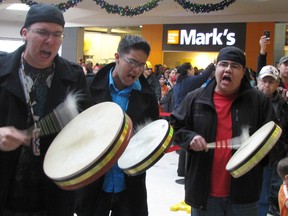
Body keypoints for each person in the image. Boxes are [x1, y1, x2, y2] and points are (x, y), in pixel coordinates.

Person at [0, 4, 92, 216]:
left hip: (53, 193)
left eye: (57, 34)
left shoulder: (74, 77)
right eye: (42, 32)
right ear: (25, 33)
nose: (50, 41)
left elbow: (85, 128)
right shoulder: (3, 69)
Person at [170, 46, 277, 216]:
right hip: (204, 195)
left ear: (243, 73)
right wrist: (189, 138)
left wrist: (258, 153)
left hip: (244, 197)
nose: (228, 69)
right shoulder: (195, 98)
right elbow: (174, 127)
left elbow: (275, 140)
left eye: (235, 66)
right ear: (216, 68)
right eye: (223, 64)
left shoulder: (259, 102)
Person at [75, 35, 159, 216]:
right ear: (117, 57)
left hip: (129, 184)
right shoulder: (88, 87)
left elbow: (150, 137)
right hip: (94, 182)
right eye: (132, 62)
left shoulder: (147, 95)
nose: (136, 70)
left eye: (142, 65)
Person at [257, 65, 288, 216]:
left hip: (270, 157)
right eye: (264, 81)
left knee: (263, 196)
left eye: (271, 81)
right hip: (247, 154)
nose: (267, 85)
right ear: (258, 81)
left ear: (277, 83)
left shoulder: (283, 105)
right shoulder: (249, 100)